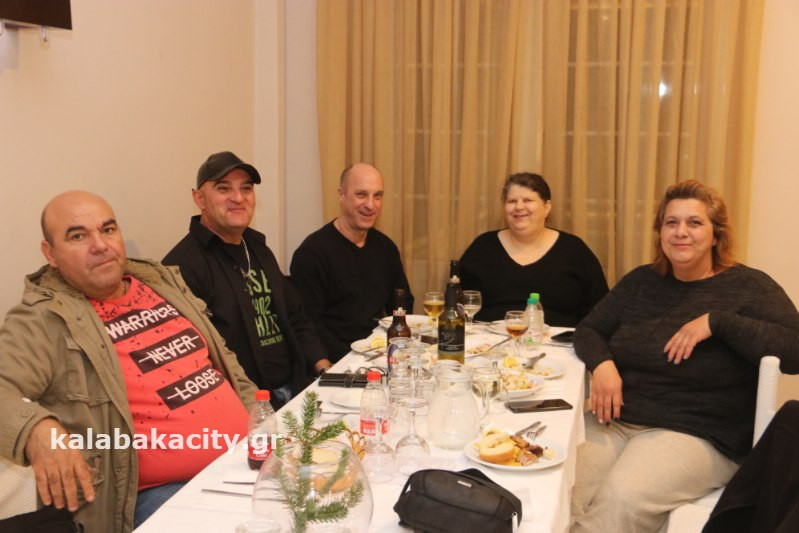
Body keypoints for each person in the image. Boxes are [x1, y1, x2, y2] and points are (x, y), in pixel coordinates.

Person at [0, 191, 257, 532]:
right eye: (78, 236)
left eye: (108, 230)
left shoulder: (160, 282)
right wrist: (36, 429)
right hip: (157, 492)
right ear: (51, 254)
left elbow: (222, 360)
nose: (100, 245)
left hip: (243, 459)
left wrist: (259, 417)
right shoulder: (42, 319)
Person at [569, 180, 799, 532]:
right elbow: (588, 329)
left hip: (699, 435)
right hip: (616, 420)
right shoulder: (641, 282)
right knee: (564, 484)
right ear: (660, 231)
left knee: (620, 499)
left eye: (694, 222)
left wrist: (718, 322)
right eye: (671, 222)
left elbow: (796, 350)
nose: (680, 232)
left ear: (716, 234)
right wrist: (602, 365)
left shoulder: (750, 288)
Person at [163, 151, 332, 407]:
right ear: (199, 198)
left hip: (296, 389)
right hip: (245, 405)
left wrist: (324, 369)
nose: (238, 198)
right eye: (223, 188)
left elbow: (295, 317)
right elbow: (192, 361)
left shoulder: (258, 248)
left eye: (246, 188)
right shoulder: (181, 266)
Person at [289, 163, 414, 361]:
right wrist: (347, 360)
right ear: (341, 195)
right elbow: (309, 325)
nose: (371, 205)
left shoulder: (386, 247)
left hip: (381, 354)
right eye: (361, 195)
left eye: (377, 196)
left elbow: (403, 303)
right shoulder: (312, 253)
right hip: (337, 360)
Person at [459, 172, 608, 325]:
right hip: (487, 339)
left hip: (558, 339)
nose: (519, 207)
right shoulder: (482, 247)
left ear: (547, 207)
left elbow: (600, 312)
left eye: (528, 200)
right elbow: (456, 304)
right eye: (512, 201)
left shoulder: (574, 250)